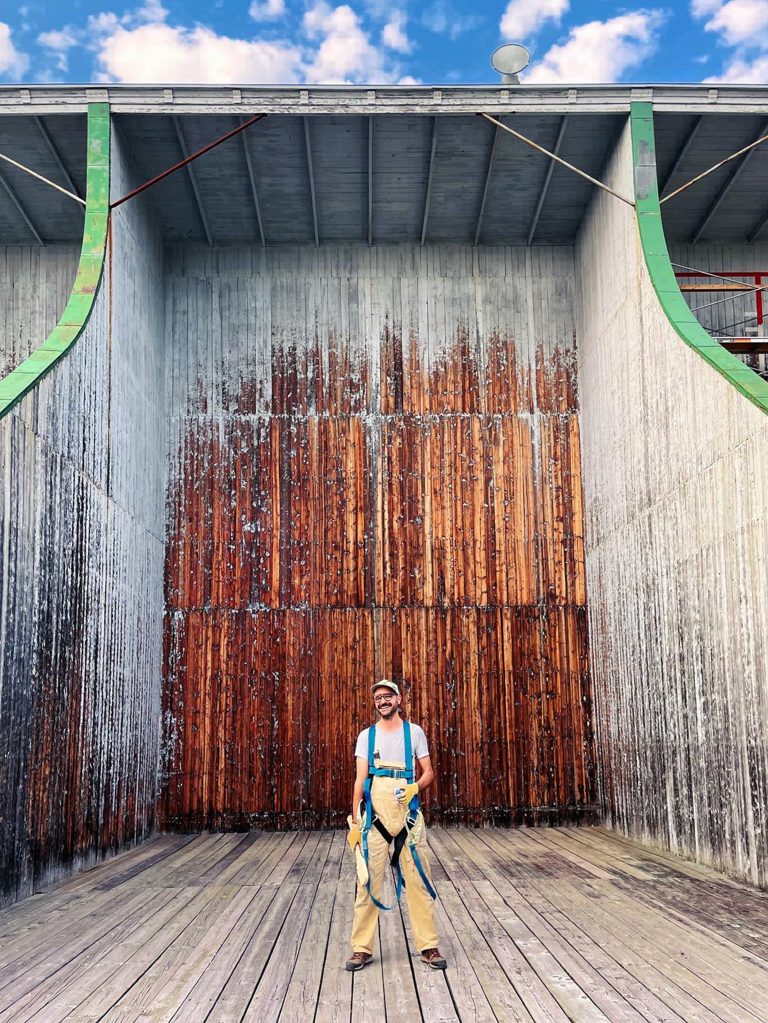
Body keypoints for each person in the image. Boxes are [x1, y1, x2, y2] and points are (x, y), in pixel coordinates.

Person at [346, 679, 447, 972]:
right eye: (378, 697)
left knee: (418, 880)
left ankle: (428, 946)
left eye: (388, 696)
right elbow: (360, 779)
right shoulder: (366, 736)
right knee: (367, 881)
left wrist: (415, 787)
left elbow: (429, 772)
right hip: (375, 816)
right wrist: (355, 821)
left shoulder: (414, 733)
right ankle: (361, 948)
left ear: (399, 699)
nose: (383, 701)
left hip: (408, 816)